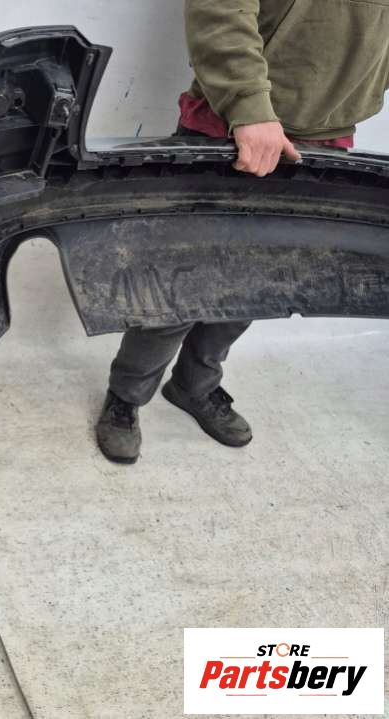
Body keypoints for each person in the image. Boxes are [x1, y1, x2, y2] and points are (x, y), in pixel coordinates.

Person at [96, 0, 389, 464]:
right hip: (232, 127)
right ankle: (126, 396)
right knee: (180, 283)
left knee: (256, 285)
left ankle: (195, 385)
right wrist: (249, 108)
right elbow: (220, 7)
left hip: (326, 134)